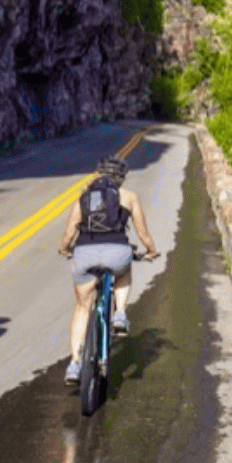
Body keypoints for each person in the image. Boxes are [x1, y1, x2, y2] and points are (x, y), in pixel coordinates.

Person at [56, 155, 157, 384]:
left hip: (85, 253)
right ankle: (120, 313)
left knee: (82, 307)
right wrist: (150, 250)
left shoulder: (84, 197)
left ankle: (74, 364)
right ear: (121, 178)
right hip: (117, 252)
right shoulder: (129, 197)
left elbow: (68, 233)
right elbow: (142, 233)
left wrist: (64, 249)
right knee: (123, 270)